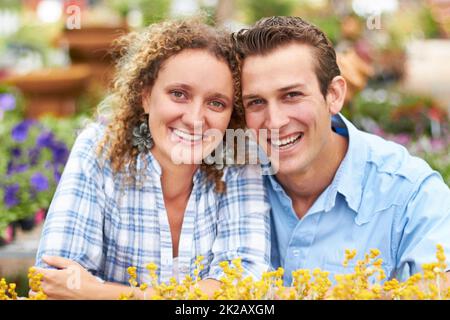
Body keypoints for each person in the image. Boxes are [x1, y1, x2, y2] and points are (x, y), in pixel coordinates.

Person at [33, 18, 270, 299]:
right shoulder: (99, 149)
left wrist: (102, 293)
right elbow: (55, 281)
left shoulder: (239, 159)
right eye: (179, 94)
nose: (195, 119)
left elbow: (244, 286)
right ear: (146, 96)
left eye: (216, 103)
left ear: (232, 113)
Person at [233, 16, 450, 285]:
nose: (275, 121)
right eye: (256, 102)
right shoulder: (229, 183)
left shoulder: (410, 193)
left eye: (292, 95)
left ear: (334, 95)